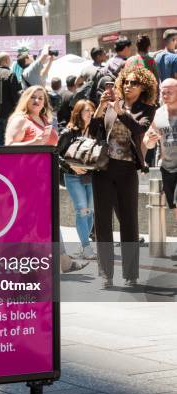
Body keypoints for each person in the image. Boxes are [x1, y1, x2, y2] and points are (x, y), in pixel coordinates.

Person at [90, 66, 157, 288]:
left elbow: (138, 129)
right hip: (104, 167)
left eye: (133, 83)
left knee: (129, 221)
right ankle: (105, 274)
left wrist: (119, 109)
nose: (128, 86)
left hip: (127, 169)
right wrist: (101, 107)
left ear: (143, 88)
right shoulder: (109, 105)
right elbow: (93, 131)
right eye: (126, 82)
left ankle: (130, 275)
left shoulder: (147, 109)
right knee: (102, 222)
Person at [57, 100, 97, 260]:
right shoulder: (68, 132)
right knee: (82, 210)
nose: (90, 113)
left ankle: (82, 245)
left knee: (90, 212)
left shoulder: (96, 131)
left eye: (91, 110)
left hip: (92, 176)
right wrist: (71, 166)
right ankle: (86, 247)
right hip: (73, 177)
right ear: (78, 113)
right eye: (86, 110)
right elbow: (55, 154)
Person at [143, 78, 177, 220]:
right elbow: (148, 141)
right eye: (163, 93)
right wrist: (150, 140)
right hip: (167, 168)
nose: (165, 95)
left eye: (169, 92)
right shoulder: (159, 113)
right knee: (175, 207)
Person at [0, 52, 21, 146]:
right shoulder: (11, 74)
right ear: (6, 60)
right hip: (9, 114)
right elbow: (16, 96)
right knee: (9, 140)